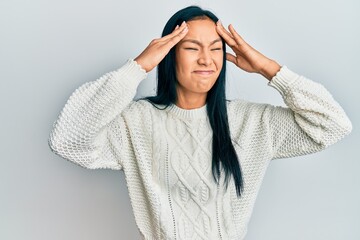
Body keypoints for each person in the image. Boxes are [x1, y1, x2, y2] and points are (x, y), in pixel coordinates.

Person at [48, 5, 352, 240]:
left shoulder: (251, 122)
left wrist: (267, 68)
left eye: (215, 48)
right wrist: (137, 67)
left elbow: (333, 125)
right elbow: (68, 139)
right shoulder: (136, 122)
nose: (206, 59)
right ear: (168, 55)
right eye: (192, 48)